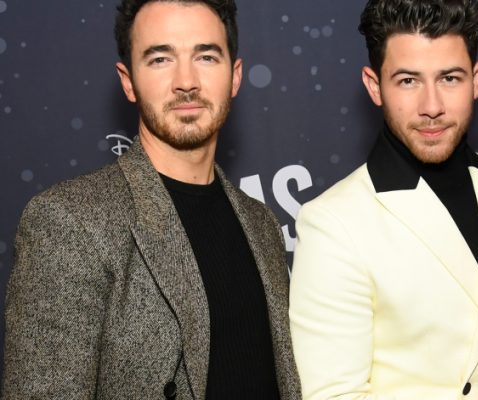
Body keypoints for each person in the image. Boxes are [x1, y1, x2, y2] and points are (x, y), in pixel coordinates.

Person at [2, 1, 301, 398]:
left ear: (235, 76)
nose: (186, 81)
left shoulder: (260, 222)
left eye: (206, 56)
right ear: (128, 81)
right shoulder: (70, 221)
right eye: (160, 59)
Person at [288, 0, 478, 398]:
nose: (432, 107)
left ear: (477, 79)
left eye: (450, 79)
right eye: (408, 81)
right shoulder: (333, 224)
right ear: (375, 86)